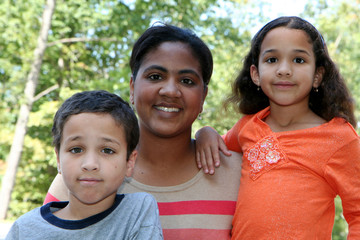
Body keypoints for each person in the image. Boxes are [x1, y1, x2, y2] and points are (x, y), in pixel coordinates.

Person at [44, 24, 242, 239]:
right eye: (156, 76)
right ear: (132, 87)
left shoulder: (239, 174)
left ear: (203, 96)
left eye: (187, 81)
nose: (170, 91)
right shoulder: (84, 176)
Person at [195, 16, 360, 239]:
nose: (284, 70)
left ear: (317, 76)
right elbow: (219, 147)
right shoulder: (247, 127)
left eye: (299, 60)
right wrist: (205, 132)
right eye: (272, 60)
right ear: (255, 74)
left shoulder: (339, 138)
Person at [6, 90, 163, 240]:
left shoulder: (137, 211)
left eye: (107, 150)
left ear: (129, 162)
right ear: (58, 159)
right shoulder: (24, 230)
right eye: (76, 149)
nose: (90, 164)